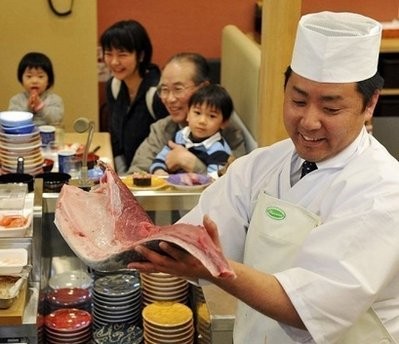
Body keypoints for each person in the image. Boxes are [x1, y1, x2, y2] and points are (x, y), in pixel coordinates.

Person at [129, 12, 399, 343]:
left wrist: (215, 266)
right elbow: (194, 237)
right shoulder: (260, 166)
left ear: (369, 104)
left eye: (331, 109)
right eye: (298, 100)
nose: (309, 122)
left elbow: (309, 309)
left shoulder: (383, 191)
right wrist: (128, 237)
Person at [127, 52, 246, 174]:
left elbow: (237, 183)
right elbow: (135, 173)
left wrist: (191, 163)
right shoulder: (163, 128)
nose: (170, 99)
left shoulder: (230, 134)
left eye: (178, 89)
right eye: (164, 90)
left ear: (203, 88)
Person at [100, 19, 167, 173]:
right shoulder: (114, 85)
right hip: (128, 174)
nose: (114, 62)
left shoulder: (157, 94)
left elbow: (166, 144)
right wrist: (122, 174)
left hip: (153, 176)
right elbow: (115, 136)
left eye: (122, 54)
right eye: (109, 54)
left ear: (141, 55)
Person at [150, 84, 233, 176]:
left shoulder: (218, 150)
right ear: (188, 114)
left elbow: (214, 181)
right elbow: (160, 159)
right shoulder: (181, 136)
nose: (202, 121)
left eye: (212, 116)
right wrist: (159, 171)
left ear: (223, 123)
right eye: (197, 112)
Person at [8, 52, 64, 126]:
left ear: (49, 80)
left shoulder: (55, 100)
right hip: (24, 136)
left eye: (40, 76)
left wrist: (41, 107)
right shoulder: (16, 100)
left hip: (48, 136)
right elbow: (13, 121)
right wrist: (28, 109)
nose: (34, 81)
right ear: (21, 79)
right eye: (29, 76)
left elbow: (57, 120)